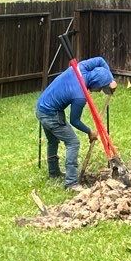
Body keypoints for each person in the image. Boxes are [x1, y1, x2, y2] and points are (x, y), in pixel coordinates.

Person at [36, 55, 115, 189]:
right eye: (100, 88)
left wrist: (110, 78)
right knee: (73, 142)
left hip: (41, 106)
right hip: (50, 114)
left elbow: (101, 60)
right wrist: (90, 132)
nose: (98, 91)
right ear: (95, 84)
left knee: (53, 141)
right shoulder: (80, 95)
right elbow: (74, 120)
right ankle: (71, 183)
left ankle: (54, 172)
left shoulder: (81, 67)